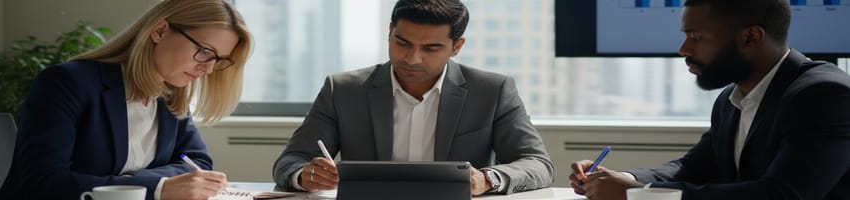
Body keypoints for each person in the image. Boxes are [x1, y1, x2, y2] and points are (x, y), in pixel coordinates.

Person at [568, 0, 850, 199]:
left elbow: (783, 194)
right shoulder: (733, 97)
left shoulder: (825, 96)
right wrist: (627, 180)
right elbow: (695, 166)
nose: (683, 49)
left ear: (751, 37)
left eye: (696, 37)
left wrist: (639, 195)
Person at [271, 0, 553, 196]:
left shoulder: (492, 90)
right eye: (402, 42)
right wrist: (305, 176)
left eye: (431, 48)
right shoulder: (343, 89)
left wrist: (487, 179)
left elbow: (537, 164)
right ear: (389, 32)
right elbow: (291, 160)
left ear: (457, 47)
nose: (412, 58)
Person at [0, 0, 253, 199]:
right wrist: (157, 188)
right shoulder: (67, 83)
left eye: (218, 60)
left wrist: (136, 181)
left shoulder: (170, 96)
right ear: (160, 31)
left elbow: (196, 162)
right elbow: (43, 183)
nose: (207, 70)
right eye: (205, 52)